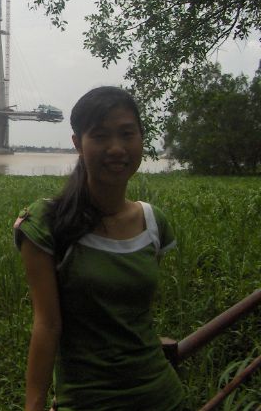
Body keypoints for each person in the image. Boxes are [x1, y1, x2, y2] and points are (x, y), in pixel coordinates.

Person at [13, 86, 185, 411]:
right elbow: (47, 325)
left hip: (163, 398)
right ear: (78, 143)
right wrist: (34, 405)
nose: (116, 148)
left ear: (141, 138)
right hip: (86, 401)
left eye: (127, 134)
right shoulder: (46, 222)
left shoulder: (153, 222)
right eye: (101, 136)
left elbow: (136, 316)